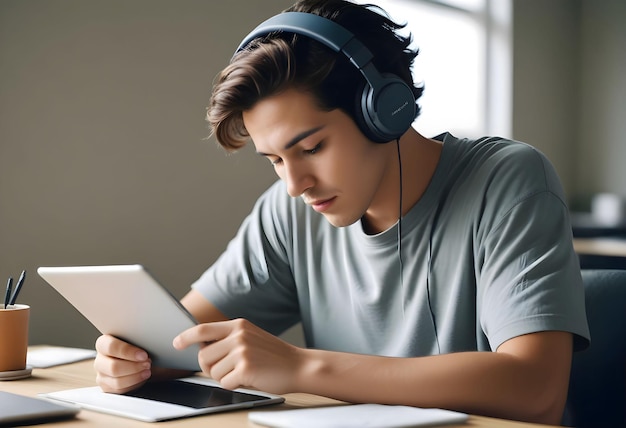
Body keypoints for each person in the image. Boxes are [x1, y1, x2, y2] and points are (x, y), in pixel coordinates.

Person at [94, 0, 590, 424]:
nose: (294, 184)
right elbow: (178, 336)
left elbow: (537, 391)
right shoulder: (288, 214)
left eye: (310, 147)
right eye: (274, 161)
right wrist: (134, 359)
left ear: (384, 110)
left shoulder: (507, 181)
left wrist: (302, 368)